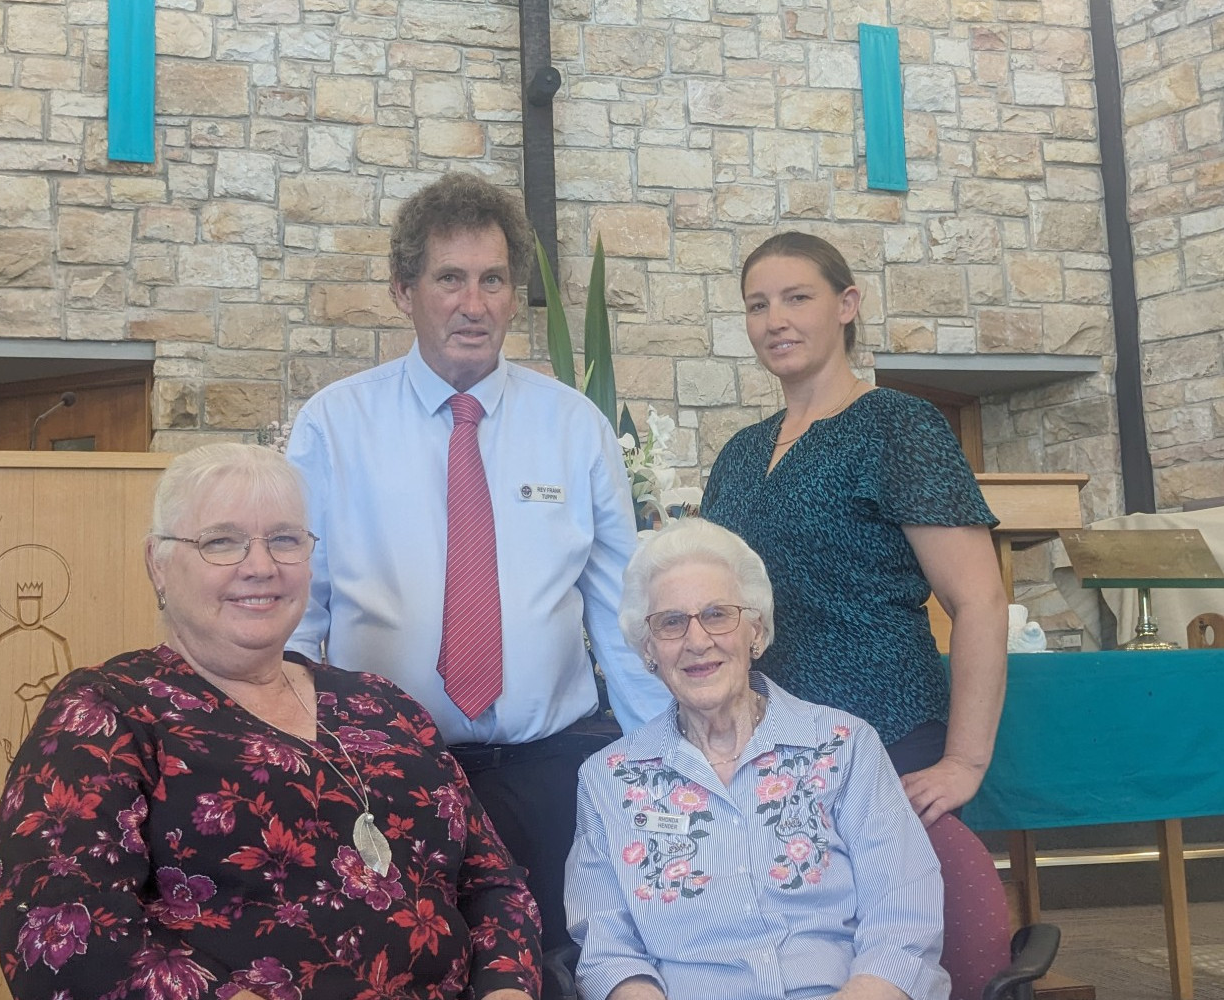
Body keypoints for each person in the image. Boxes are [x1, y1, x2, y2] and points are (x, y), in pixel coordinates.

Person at [0, 444, 541, 1000]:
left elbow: (493, 882)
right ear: (158, 563)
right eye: (221, 542)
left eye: (284, 539)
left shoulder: (385, 706)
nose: (260, 566)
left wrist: (506, 989)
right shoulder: (106, 712)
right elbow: (56, 935)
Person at [286, 172, 671, 949]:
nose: (474, 304)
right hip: (388, 777)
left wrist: (663, 765)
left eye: (493, 279)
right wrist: (294, 763)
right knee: (405, 971)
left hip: (550, 769)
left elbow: (624, 615)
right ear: (404, 291)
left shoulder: (574, 426)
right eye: (450, 279)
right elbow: (300, 611)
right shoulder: (335, 425)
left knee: (558, 966)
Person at [701, 231, 1010, 997]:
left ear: (846, 304)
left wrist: (964, 761)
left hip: (885, 735)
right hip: (770, 746)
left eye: (797, 297)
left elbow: (979, 599)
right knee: (799, 952)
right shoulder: (739, 455)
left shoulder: (898, 427)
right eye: (758, 304)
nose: (776, 319)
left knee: (886, 952)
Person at [565, 519, 948, 1000]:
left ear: (756, 631)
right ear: (648, 651)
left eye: (717, 614)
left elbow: (903, 916)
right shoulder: (607, 780)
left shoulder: (845, 746)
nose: (697, 640)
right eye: (671, 622)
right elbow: (608, 951)